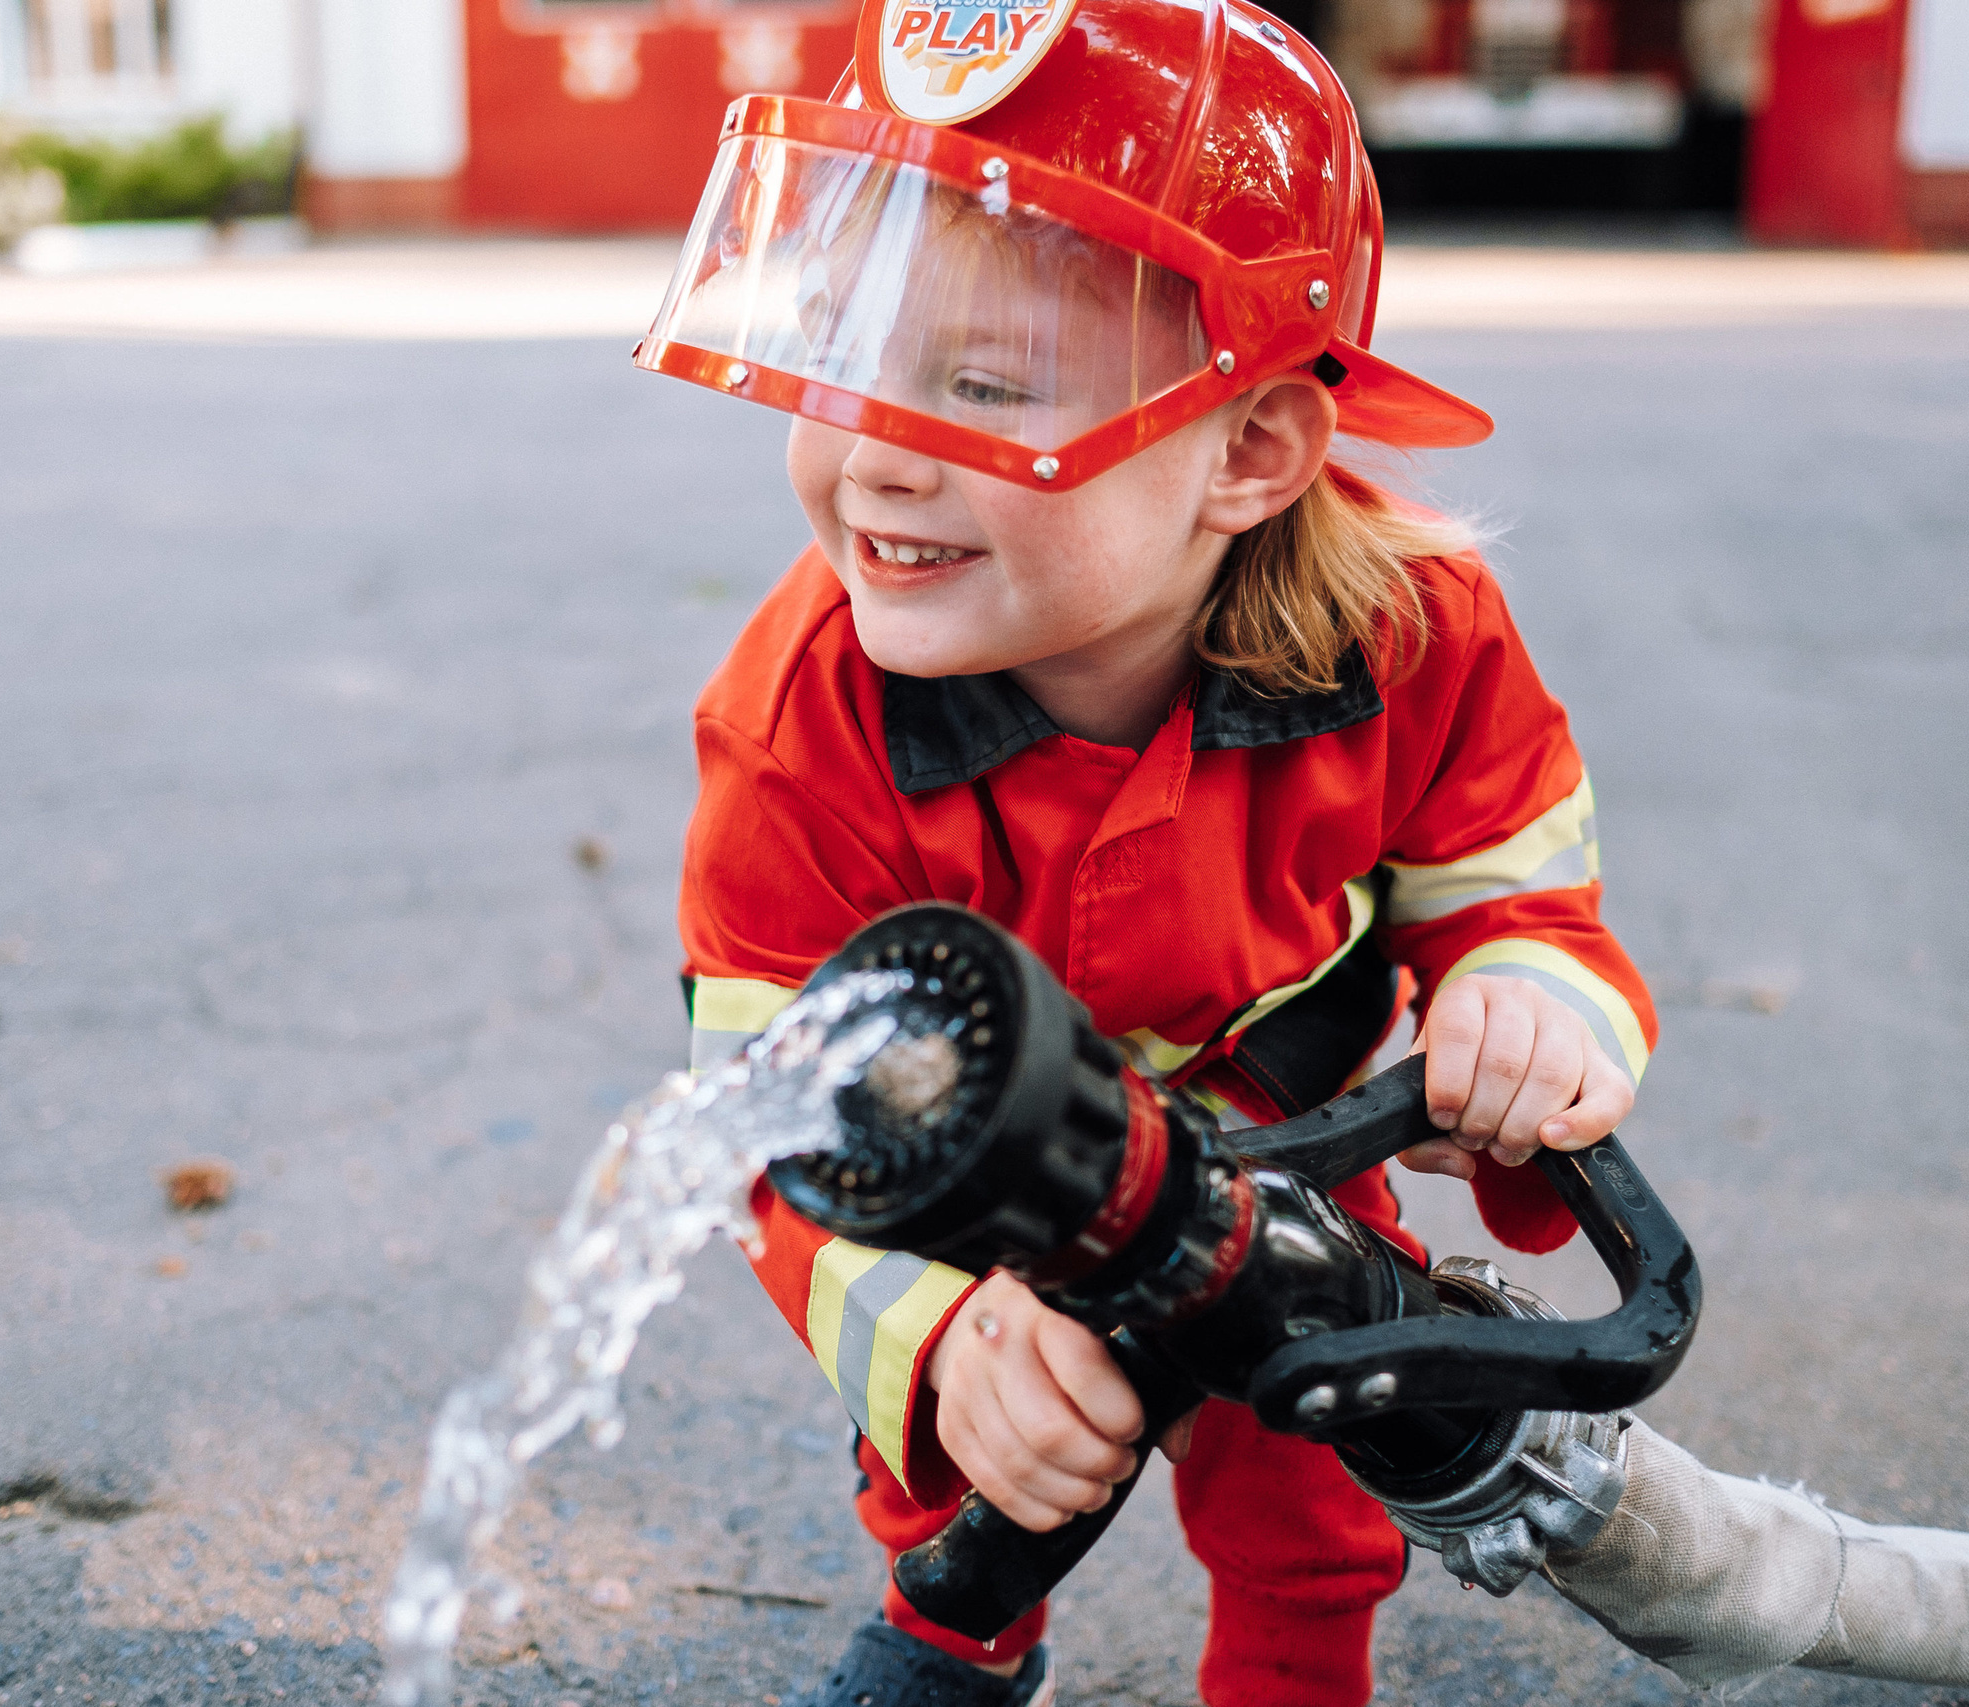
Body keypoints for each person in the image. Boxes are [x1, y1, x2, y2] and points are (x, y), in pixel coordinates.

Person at [651, 0, 1657, 1699]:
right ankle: (956, 1626)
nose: (873, 455)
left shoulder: (1415, 633)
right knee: (982, 1454)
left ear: (1252, 449)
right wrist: (939, 1339)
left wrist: (1527, 997)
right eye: (841, 349)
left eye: (979, 386)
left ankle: (1286, 1671)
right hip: (975, 1153)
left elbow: (1512, 868)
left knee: (1314, 1451)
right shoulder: (802, 718)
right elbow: (766, 1115)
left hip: (1280, 1124)